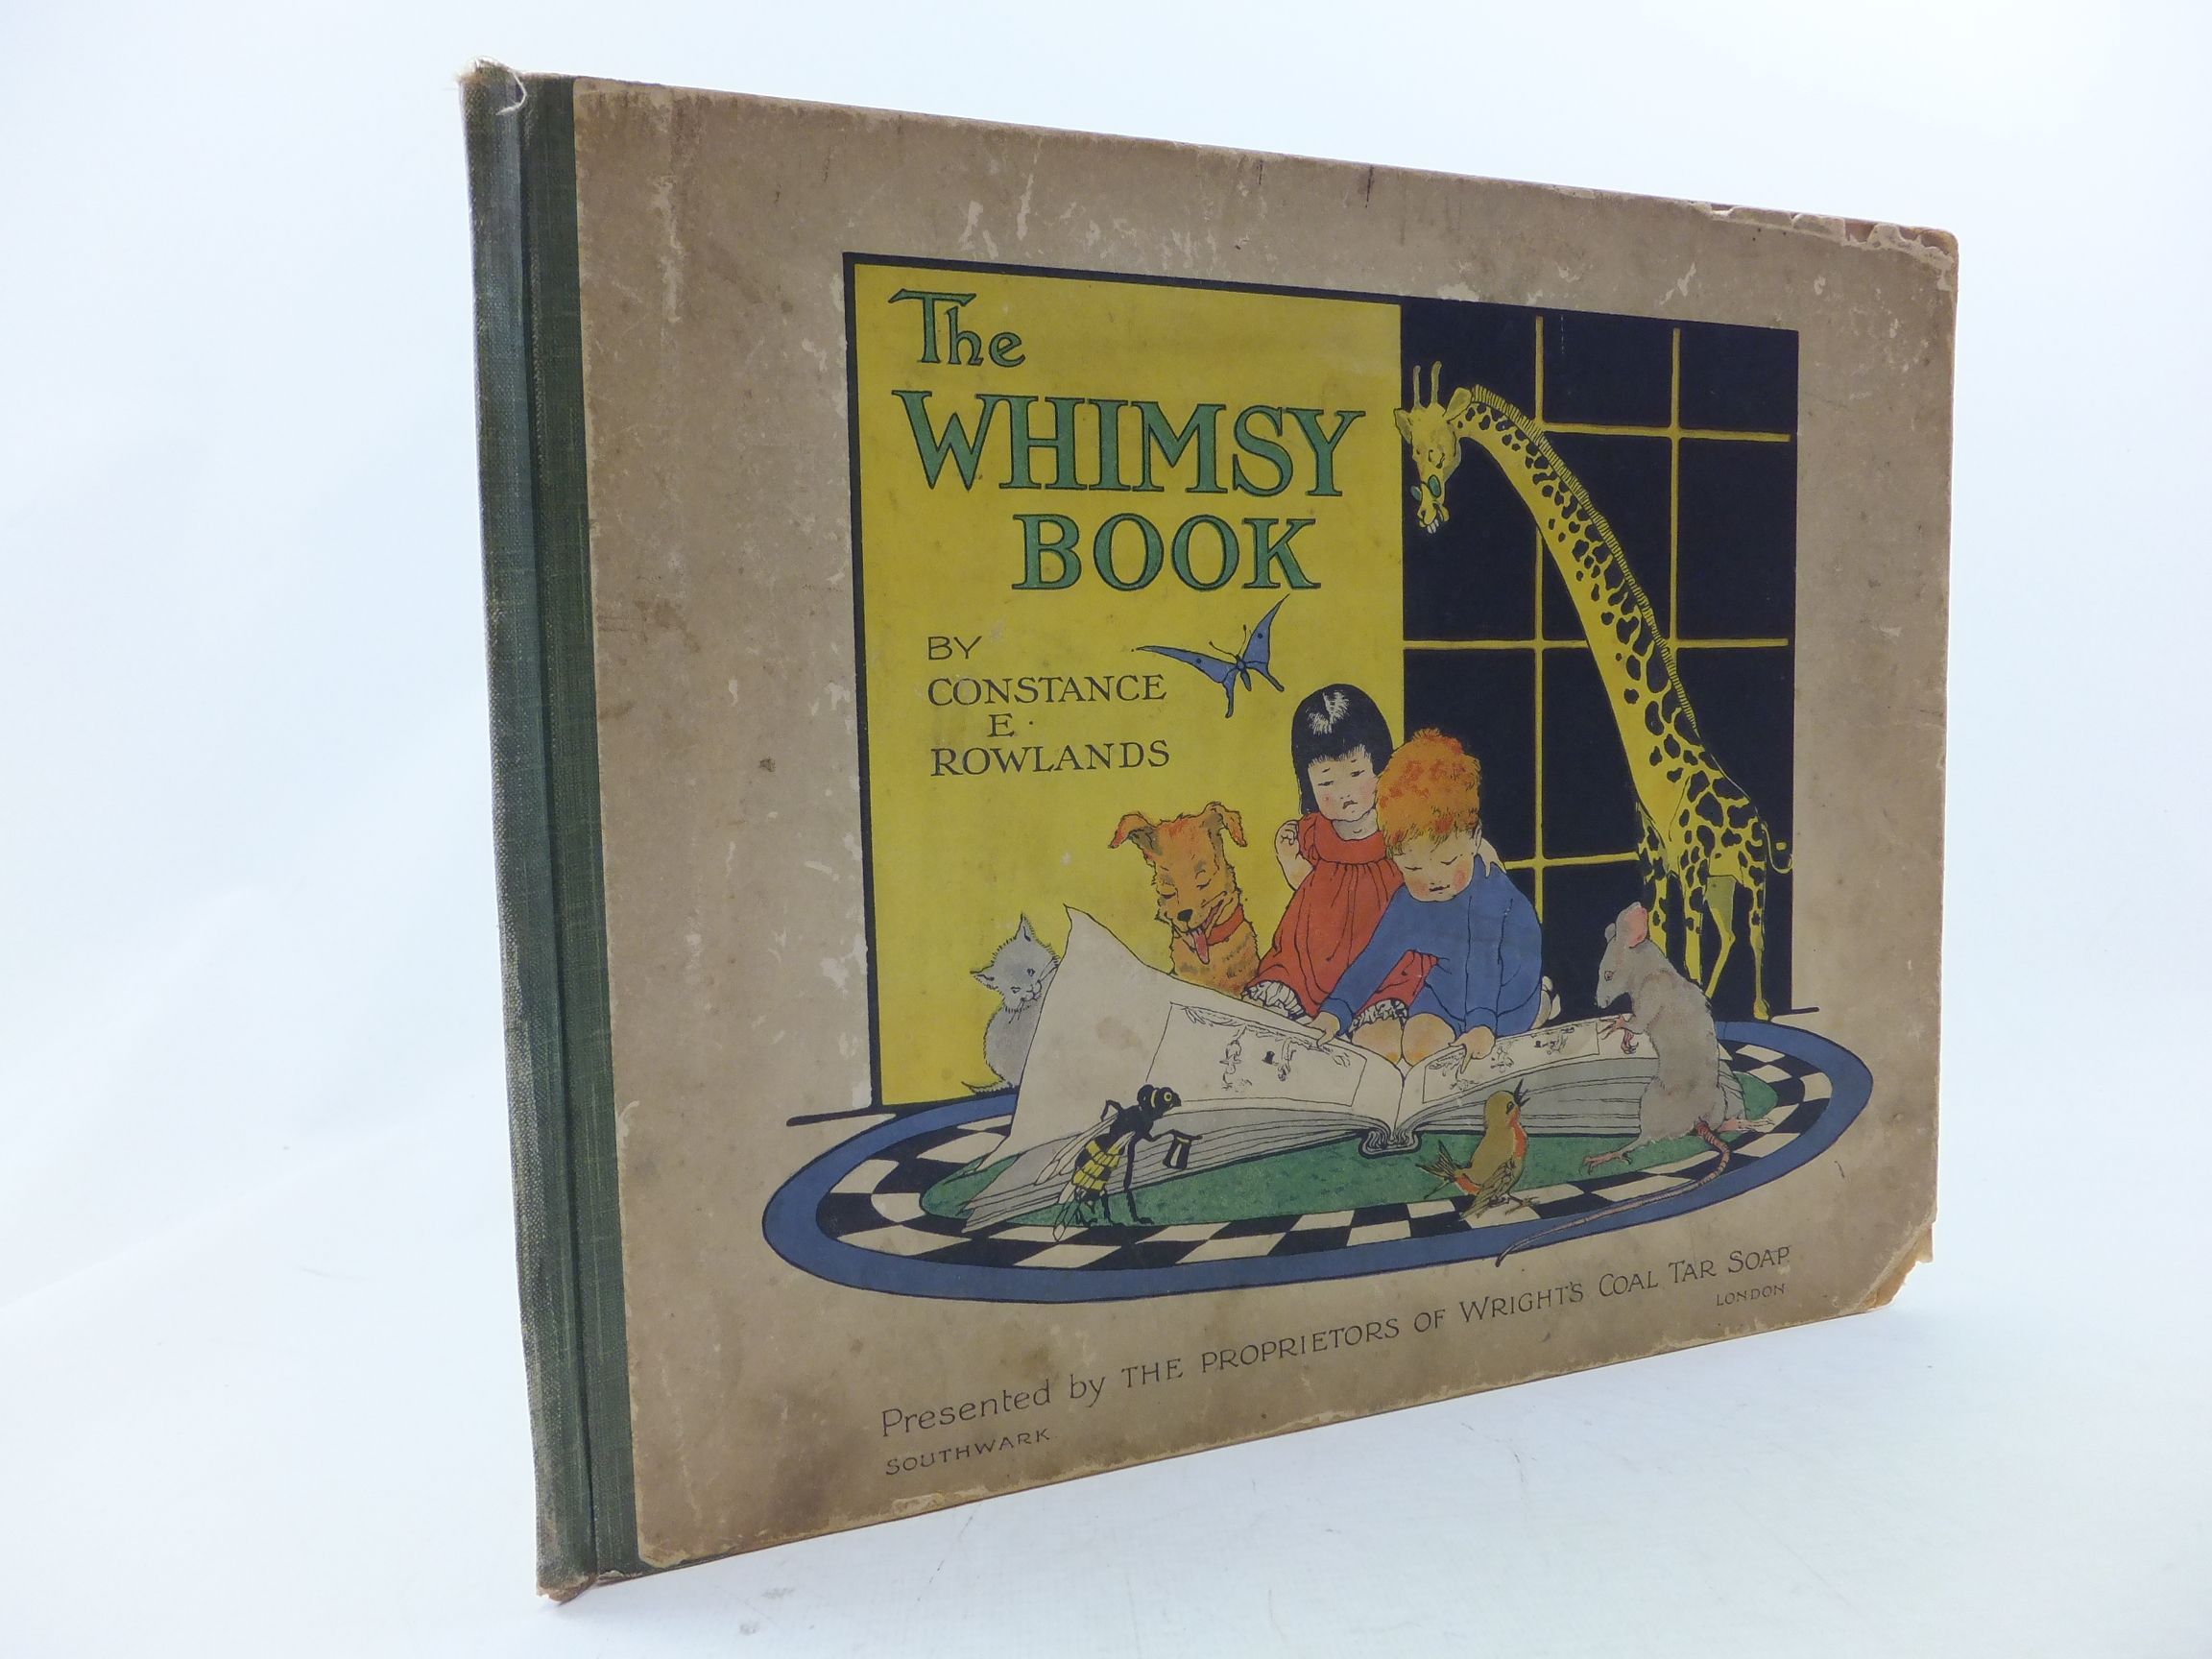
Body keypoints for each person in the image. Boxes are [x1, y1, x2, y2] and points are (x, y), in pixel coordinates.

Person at [1310, 730, 1544, 1067]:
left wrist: (1481, 1026)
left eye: (1448, 862)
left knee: (1477, 1057)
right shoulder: (1408, 903)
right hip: (1449, 988)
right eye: (1414, 867)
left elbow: (1484, 962)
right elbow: (1374, 959)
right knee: (1418, 1050)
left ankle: (1543, 1003)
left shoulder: (1489, 893)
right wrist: (1334, 1013)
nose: (1433, 878)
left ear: (1475, 839)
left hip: (1507, 997)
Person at [1241, 685, 1427, 1048]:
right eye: (1327, 781)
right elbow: (1312, 889)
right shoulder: (1312, 833)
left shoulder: (1399, 826)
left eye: (1356, 773)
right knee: (1263, 1028)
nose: (1345, 792)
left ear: (1381, 766)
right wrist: (1290, 862)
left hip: (1383, 965)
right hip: (1307, 966)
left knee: (1381, 1042)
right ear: (1308, 783)